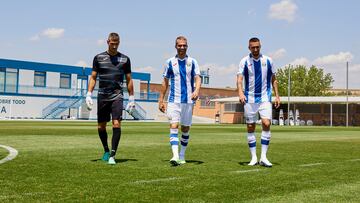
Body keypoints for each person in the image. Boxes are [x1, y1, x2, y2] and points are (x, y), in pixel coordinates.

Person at [86, 32, 135, 165]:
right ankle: (106, 150)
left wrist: (132, 97)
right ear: (107, 42)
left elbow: (129, 79)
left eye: (116, 44)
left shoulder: (125, 59)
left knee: (116, 123)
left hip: (117, 95)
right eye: (112, 44)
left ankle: (113, 155)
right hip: (102, 96)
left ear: (119, 43)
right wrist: (89, 94)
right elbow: (94, 77)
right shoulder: (98, 58)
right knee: (101, 126)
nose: (114, 46)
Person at [237, 37, 280, 167]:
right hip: (249, 98)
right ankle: (254, 158)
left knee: (266, 123)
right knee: (250, 127)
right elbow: (239, 79)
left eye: (257, 47)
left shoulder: (268, 60)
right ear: (249, 47)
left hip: (265, 98)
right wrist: (240, 92)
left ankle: (264, 157)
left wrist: (277, 96)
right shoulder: (244, 61)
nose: (255, 49)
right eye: (253, 47)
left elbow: (274, 80)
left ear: (260, 46)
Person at [158, 36, 201, 166]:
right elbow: (165, 82)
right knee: (174, 125)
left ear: (187, 46)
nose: (182, 47)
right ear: (175, 46)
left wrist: (197, 90)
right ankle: (175, 155)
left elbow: (198, 78)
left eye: (184, 45)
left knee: (185, 128)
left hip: (188, 101)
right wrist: (161, 100)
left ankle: (182, 155)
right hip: (173, 100)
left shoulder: (193, 62)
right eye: (179, 45)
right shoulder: (170, 62)